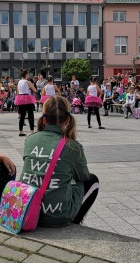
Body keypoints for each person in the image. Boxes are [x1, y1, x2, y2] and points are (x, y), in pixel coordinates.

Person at [19, 96, 99, 226]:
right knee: (91, 180)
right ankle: (76, 220)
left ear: (44, 120)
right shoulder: (73, 146)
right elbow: (83, 176)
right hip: (57, 215)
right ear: (67, 120)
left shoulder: (30, 139)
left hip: (27, 209)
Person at [14, 70, 37, 137]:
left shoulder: (19, 82)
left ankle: (21, 131)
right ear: (26, 75)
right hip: (27, 99)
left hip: (20, 98)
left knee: (22, 116)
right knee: (30, 115)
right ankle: (32, 131)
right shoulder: (28, 82)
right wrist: (30, 87)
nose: (28, 75)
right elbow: (35, 90)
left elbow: (18, 92)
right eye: (28, 74)